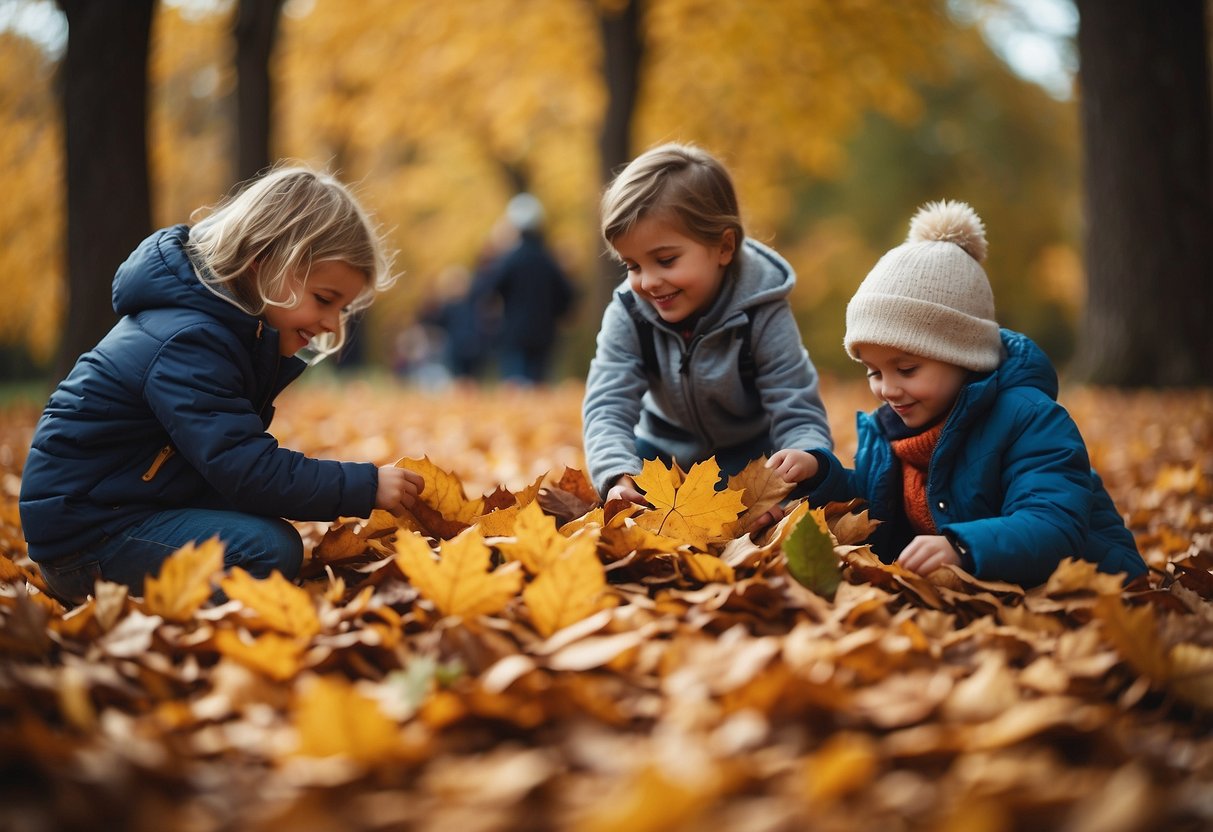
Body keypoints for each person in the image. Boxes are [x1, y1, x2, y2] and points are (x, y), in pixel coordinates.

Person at [19, 165, 425, 605]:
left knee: (263, 531)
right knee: (269, 548)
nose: (331, 324)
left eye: (342, 309)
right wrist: (365, 487)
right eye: (325, 300)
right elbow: (247, 470)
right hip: (89, 545)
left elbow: (228, 465)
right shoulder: (189, 340)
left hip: (127, 510)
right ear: (264, 262)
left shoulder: (221, 332)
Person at [802, 199, 1146, 586]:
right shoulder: (894, 431)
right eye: (873, 372)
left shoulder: (1029, 419)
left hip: (1094, 592)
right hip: (995, 593)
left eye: (907, 369)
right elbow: (875, 502)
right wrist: (819, 474)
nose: (888, 389)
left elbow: (1052, 523)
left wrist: (963, 547)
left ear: (964, 355)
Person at [582, 142, 833, 527]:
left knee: (808, 491)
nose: (649, 282)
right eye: (633, 265)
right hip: (661, 459)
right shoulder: (629, 313)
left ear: (724, 246)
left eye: (666, 260)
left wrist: (804, 455)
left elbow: (794, 402)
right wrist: (617, 476)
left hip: (749, 458)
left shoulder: (761, 311)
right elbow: (607, 404)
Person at [470, 193, 576, 384]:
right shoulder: (548, 260)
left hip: (515, 333)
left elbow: (485, 290)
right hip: (545, 331)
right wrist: (556, 314)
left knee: (516, 385)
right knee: (538, 384)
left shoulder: (510, 259)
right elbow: (567, 295)